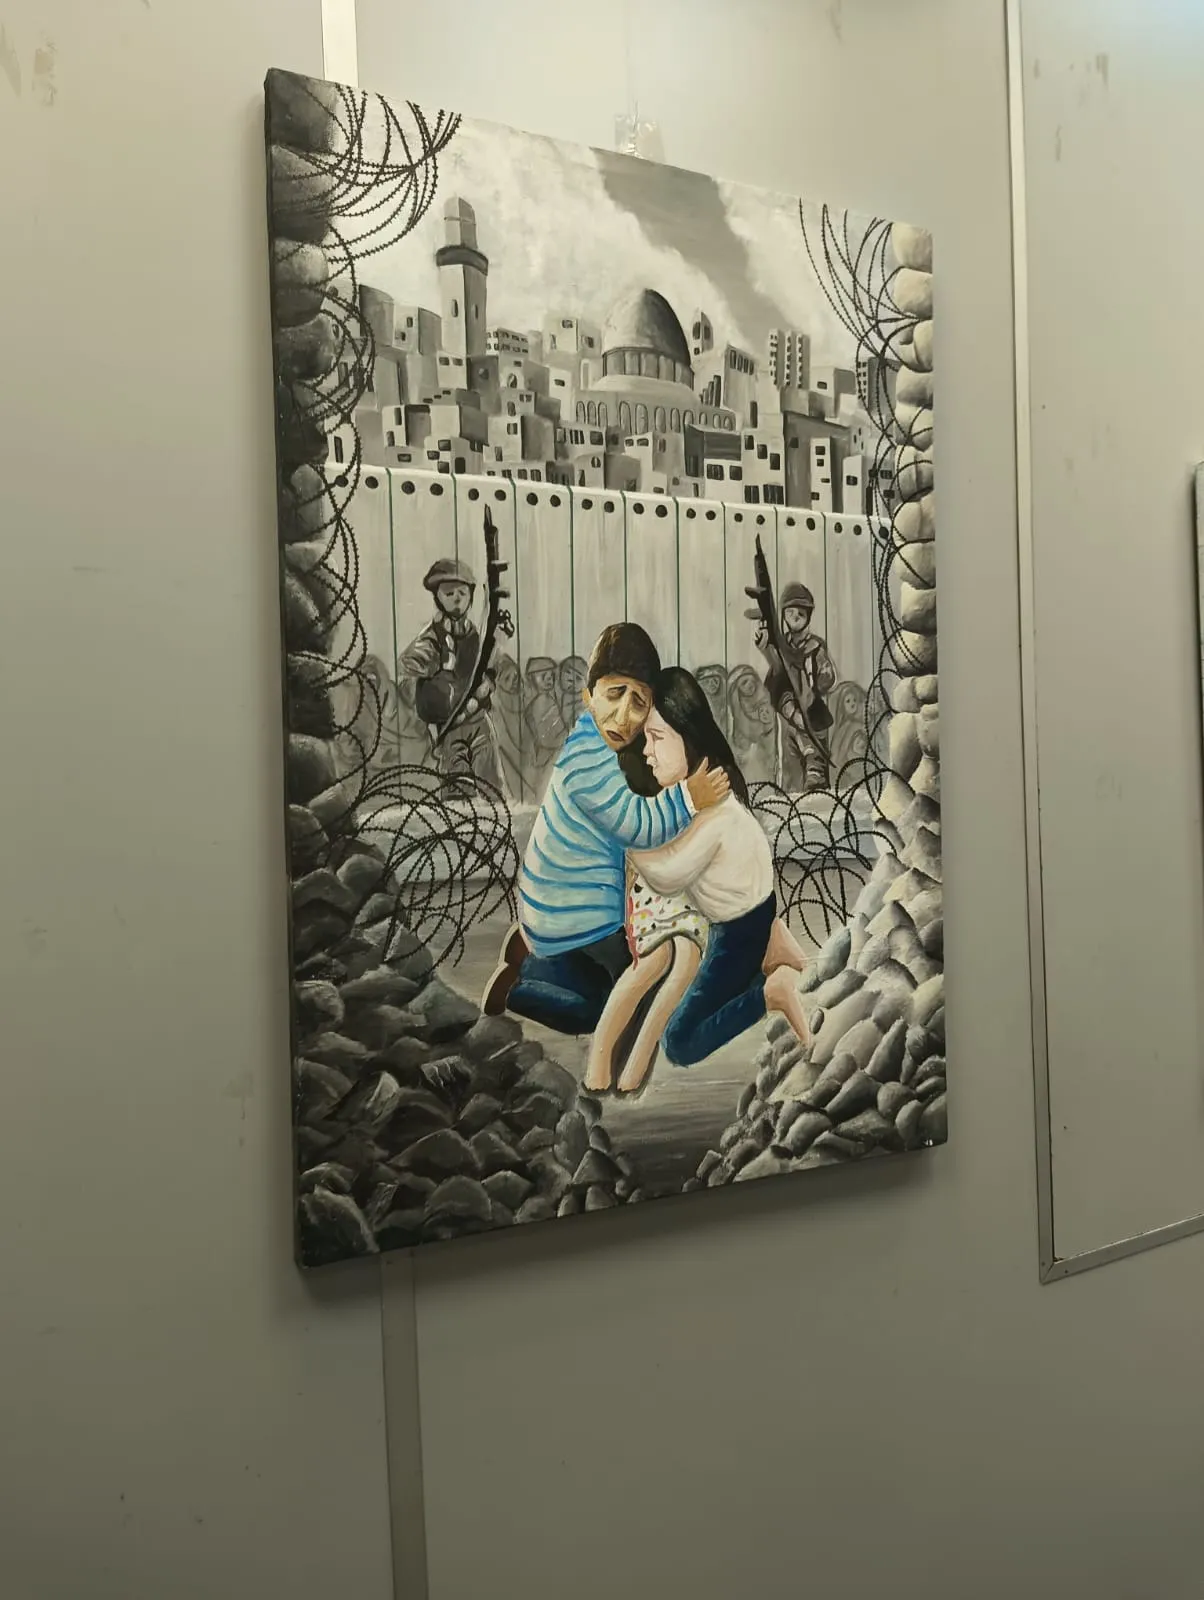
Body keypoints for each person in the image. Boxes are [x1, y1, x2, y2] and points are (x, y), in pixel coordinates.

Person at [480, 624, 730, 1035]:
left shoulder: (590, 738)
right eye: (615, 694)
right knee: (612, 1006)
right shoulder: (589, 765)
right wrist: (689, 798)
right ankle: (518, 988)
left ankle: (533, 952)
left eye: (639, 702)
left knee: (634, 977)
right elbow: (636, 824)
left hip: (560, 904)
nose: (624, 715)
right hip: (576, 920)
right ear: (589, 695)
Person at [585, 667, 810, 1093]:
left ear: (687, 737)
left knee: (680, 1042)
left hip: (735, 932)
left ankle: (770, 991)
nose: (647, 751)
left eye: (657, 738)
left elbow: (668, 875)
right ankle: (772, 947)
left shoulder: (712, 809)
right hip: (747, 916)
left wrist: (627, 842)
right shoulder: (703, 793)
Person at [398, 558, 500, 787]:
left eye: (462, 593)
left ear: (471, 596)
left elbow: (489, 670)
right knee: (457, 786)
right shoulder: (432, 638)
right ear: (438, 597)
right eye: (449, 593)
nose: (456, 598)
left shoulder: (476, 636)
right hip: (448, 725)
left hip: (477, 717)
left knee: (491, 783)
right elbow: (407, 666)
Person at [750, 581, 837, 794]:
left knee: (815, 767)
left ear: (808, 616)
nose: (795, 617)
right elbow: (776, 673)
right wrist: (765, 648)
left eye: (801, 613)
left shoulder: (815, 646)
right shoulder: (781, 646)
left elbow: (827, 677)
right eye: (790, 612)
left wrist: (820, 678)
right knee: (790, 771)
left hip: (812, 713)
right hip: (788, 713)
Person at [522, 655, 566, 800]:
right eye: (543, 676)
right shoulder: (540, 703)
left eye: (551, 675)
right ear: (531, 679)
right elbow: (546, 738)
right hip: (546, 755)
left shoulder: (550, 700)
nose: (549, 679)